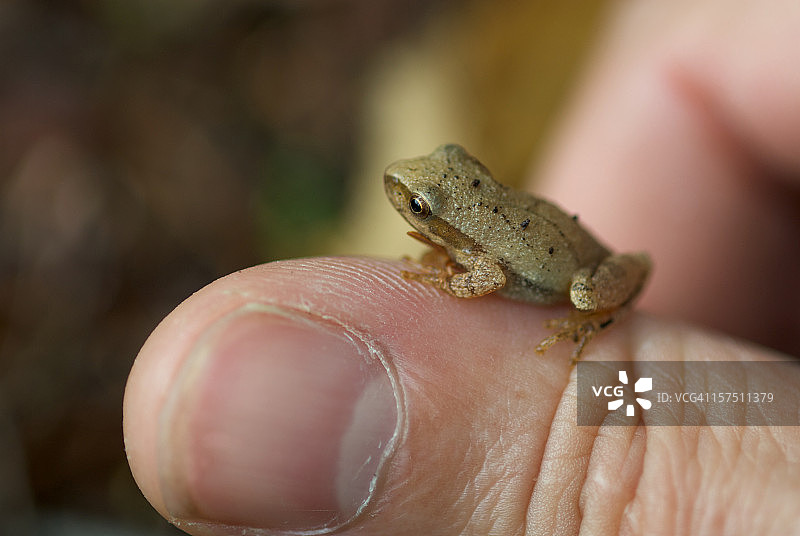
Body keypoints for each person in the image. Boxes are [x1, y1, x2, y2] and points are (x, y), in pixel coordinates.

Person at [123, 1, 800, 533]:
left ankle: (603, 316)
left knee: (589, 290)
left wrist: (449, 279)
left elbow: (494, 277)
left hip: (577, 273)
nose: (408, 199)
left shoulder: (479, 251)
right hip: (545, 237)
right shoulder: (463, 226)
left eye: (419, 205)